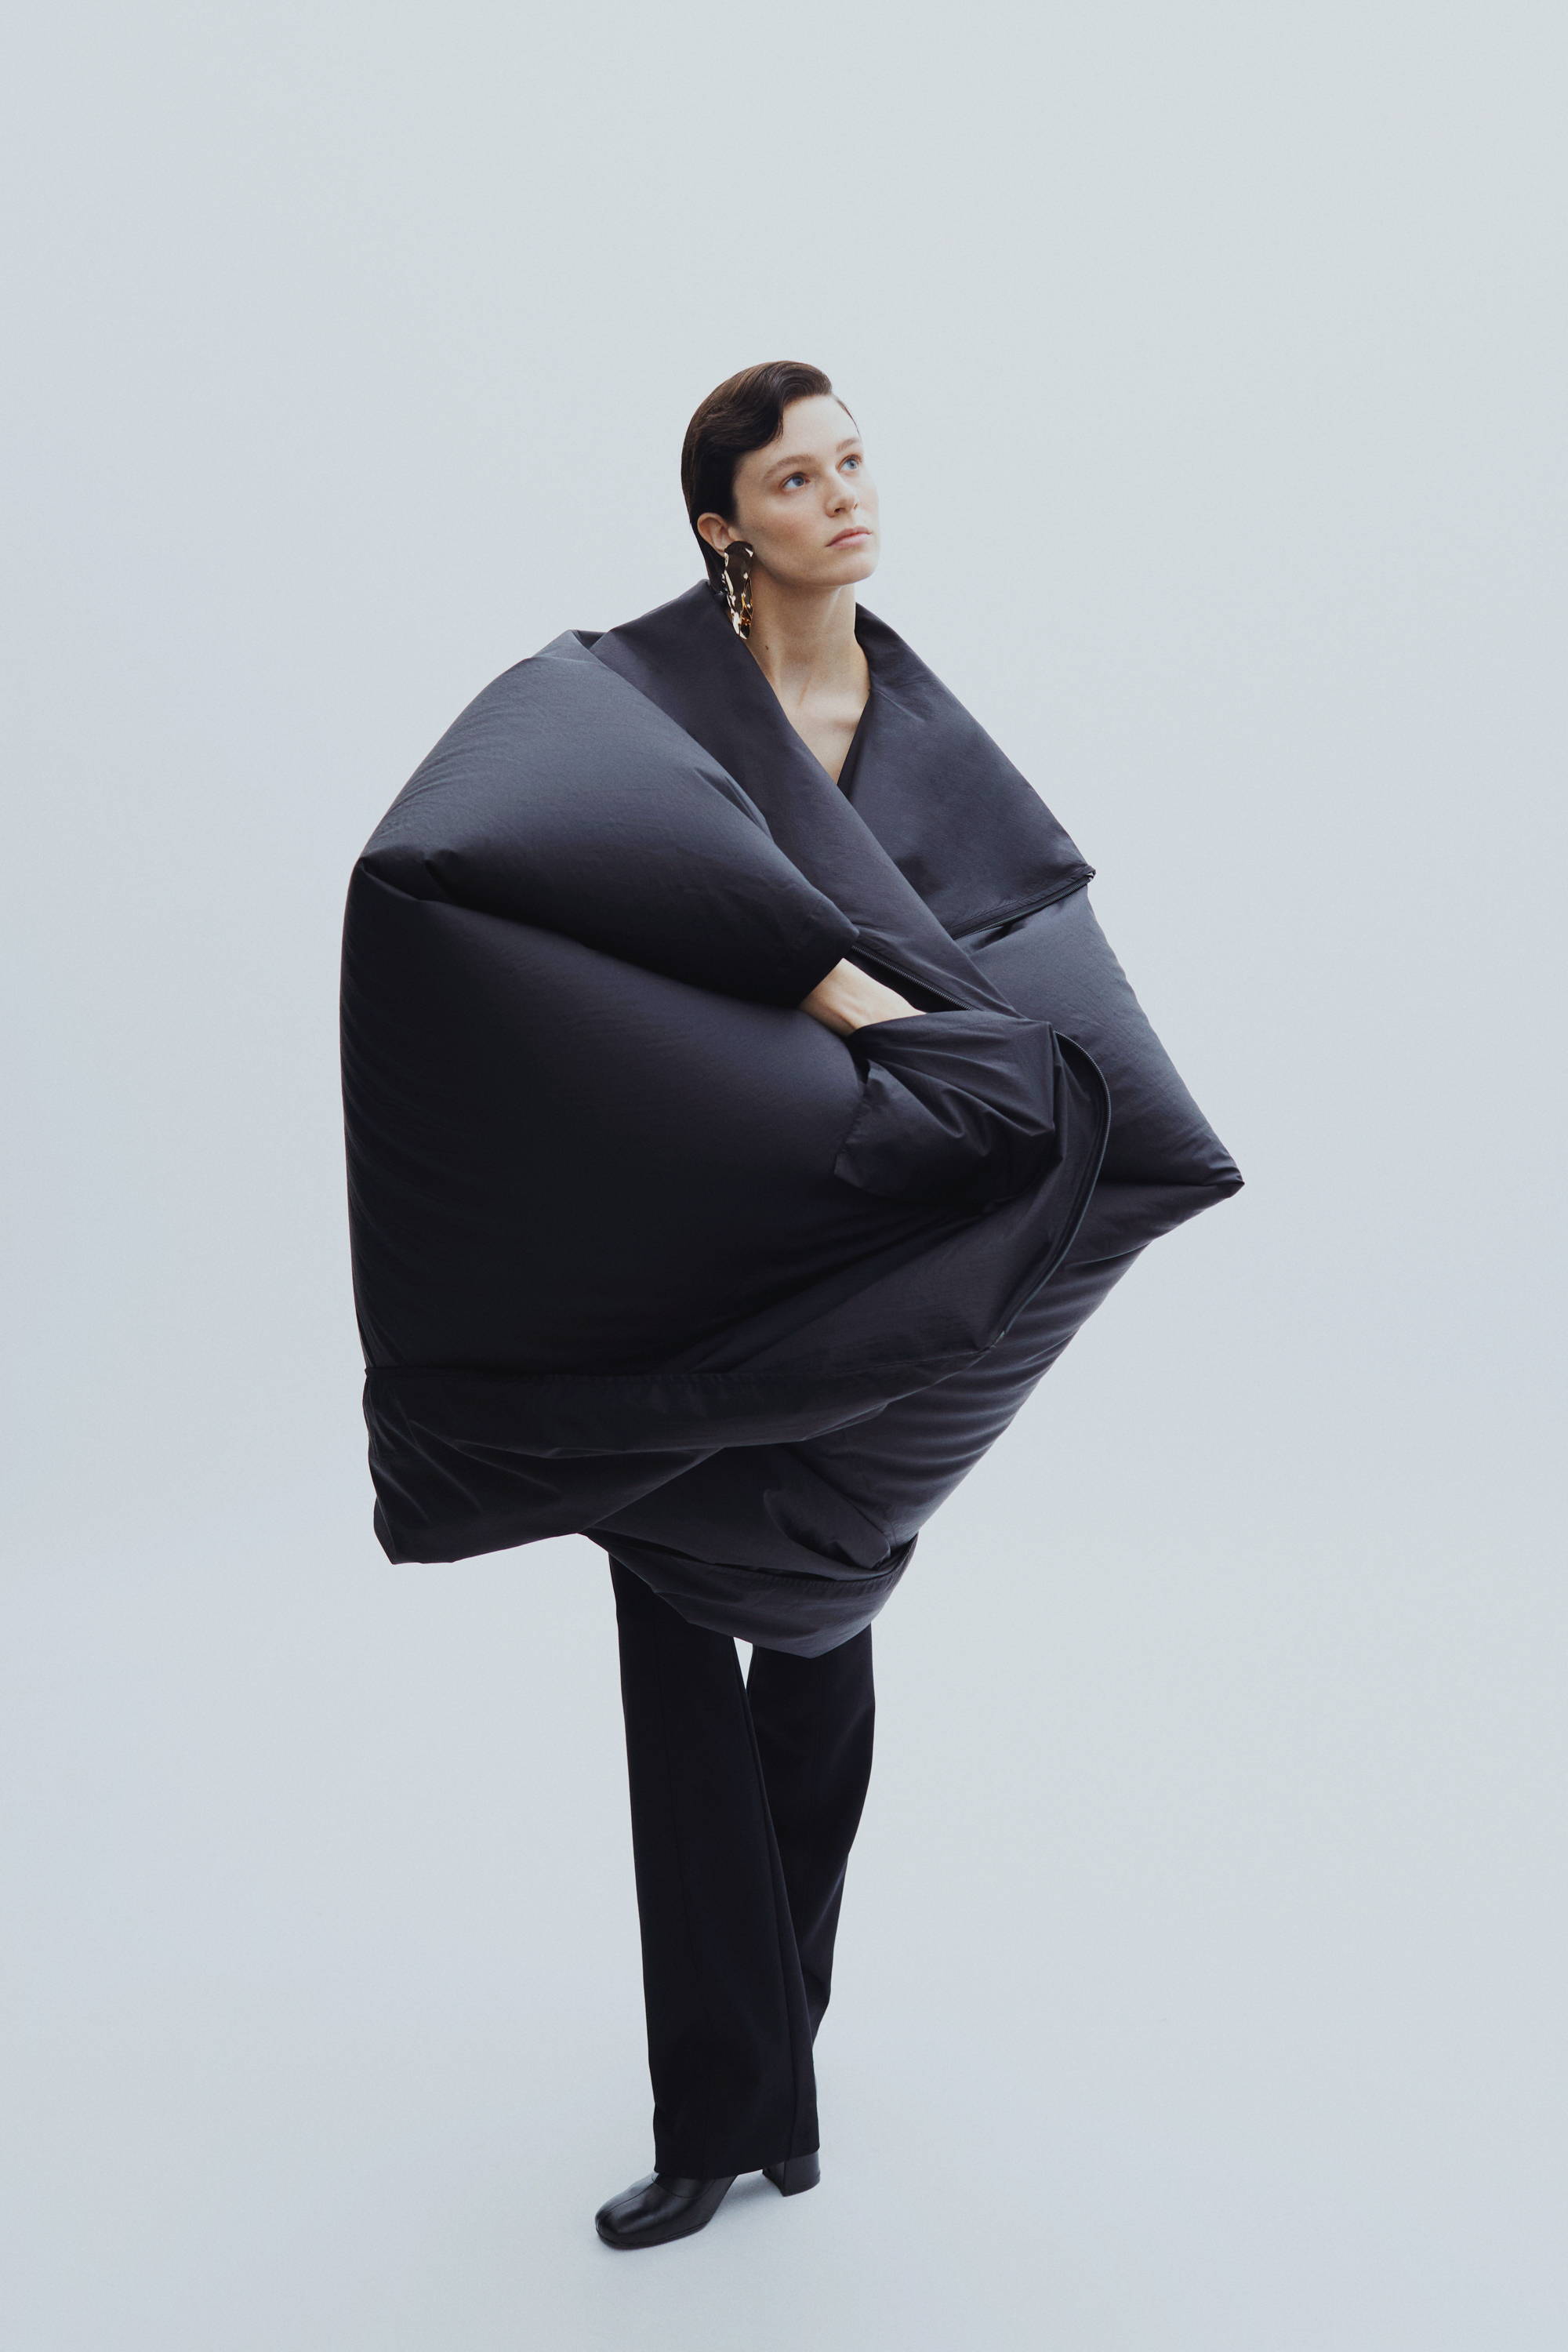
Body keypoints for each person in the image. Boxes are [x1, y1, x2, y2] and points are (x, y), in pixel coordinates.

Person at [339, 361, 1240, 2253]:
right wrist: (818, 978)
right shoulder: (642, 702)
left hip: (884, 1246)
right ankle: (720, 2115)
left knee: (828, 1617)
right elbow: (532, 871)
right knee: (679, 1665)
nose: (845, 497)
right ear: (722, 528)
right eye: (797, 479)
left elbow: (1032, 981)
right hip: (700, 1245)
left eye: (853, 462)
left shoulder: (917, 729)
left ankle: (780, 2079)